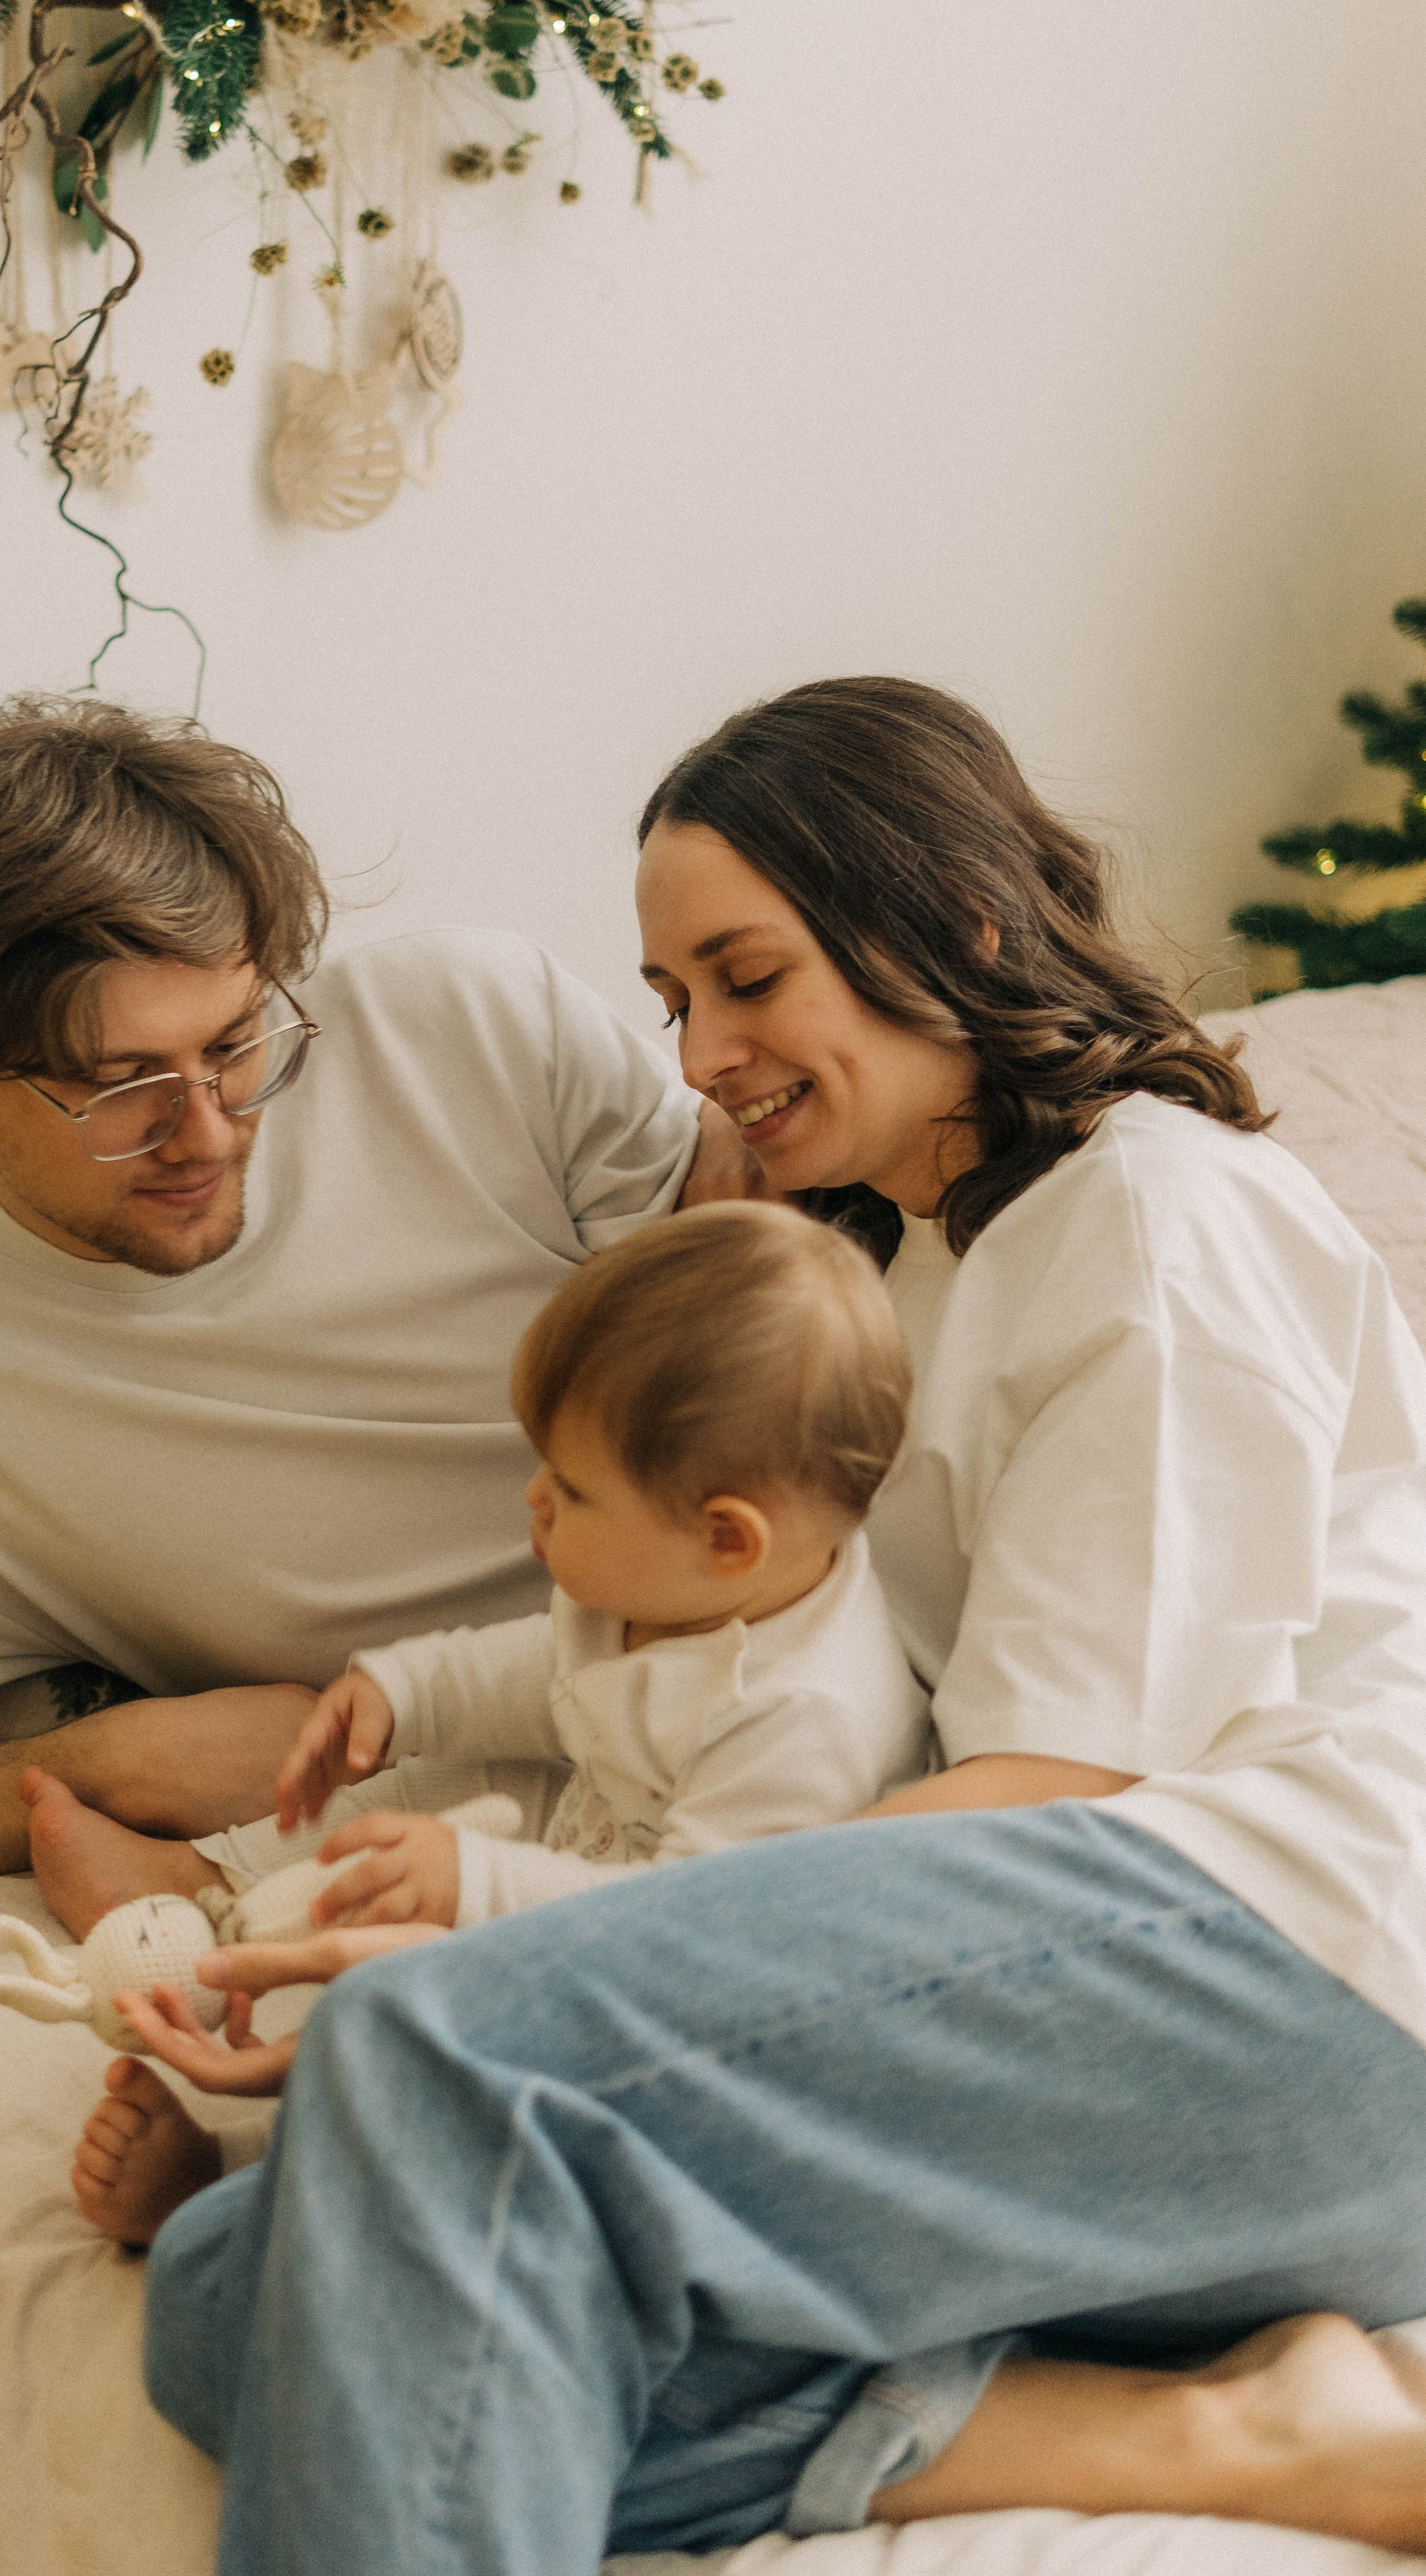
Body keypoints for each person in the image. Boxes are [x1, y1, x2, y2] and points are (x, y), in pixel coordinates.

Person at [130, 675, 1426, 2568]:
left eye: (746, 977)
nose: (699, 1053)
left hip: (1313, 1972)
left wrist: (518, 1966)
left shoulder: (1152, 1220)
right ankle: (1218, 2435)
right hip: (1114, 2026)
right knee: (235, 2281)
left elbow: (1052, 1789)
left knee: (438, 2061)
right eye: (671, 1002)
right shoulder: (895, 1274)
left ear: (953, 924)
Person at [0, 696, 753, 1881]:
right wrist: (107, 1764)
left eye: (234, 1042)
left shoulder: (481, 1029)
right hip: (452, 1811)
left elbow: (765, 1286)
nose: (205, 1131)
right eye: (119, 1086)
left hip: (767, 1674)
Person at [59, 1199, 932, 2244]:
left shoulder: (803, 1720)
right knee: (385, 1851)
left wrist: (470, 1891)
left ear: (728, 1539)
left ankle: (231, 2188)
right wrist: (405, 1691)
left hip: (686, 2040)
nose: (533, 1500)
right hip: (584, 1904)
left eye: (570, 1486)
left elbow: (678, 1943)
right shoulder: (680, 1588)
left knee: (445, 2085)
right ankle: (222, 1898)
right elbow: (551, 1674)